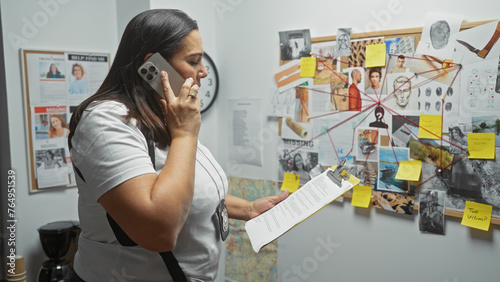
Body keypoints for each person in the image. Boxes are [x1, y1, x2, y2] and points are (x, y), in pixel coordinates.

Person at [68, 9, 288, 281]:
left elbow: (186, 191)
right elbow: (159, 232)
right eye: (194, 61)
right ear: (153, 66)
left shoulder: (164, 116)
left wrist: (249, 209)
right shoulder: (104, 121)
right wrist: (185, 135)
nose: (204, 72)